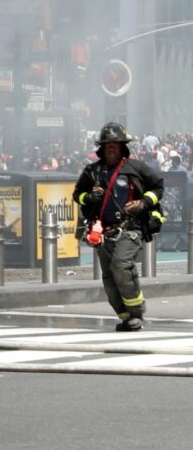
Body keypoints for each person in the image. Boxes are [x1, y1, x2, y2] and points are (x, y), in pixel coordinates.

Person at [73, 122, 164, 331]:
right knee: (108, 276)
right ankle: (125, 316)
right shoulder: (92, 171)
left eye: (115, 144)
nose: (111, 148)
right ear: (102, 148)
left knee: (120, 266)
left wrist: (144, 203)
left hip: (130, 228)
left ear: (123, 147)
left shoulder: (137, 168)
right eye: (107, 145)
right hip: (103, 232)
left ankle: (136, 311)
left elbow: (158, 186)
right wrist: (90, 196)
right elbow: (78, 195)